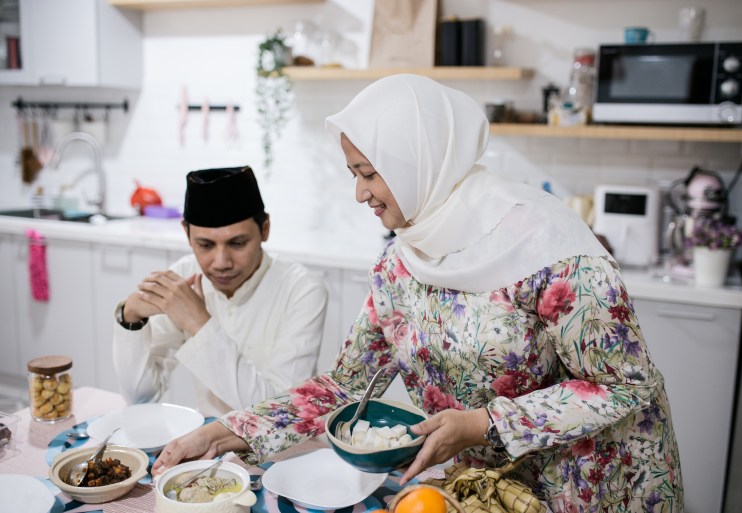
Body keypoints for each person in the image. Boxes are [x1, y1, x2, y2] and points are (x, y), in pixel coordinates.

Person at [152, 77, 683, 513]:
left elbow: (624, 386)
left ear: (418, 160)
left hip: (587, 484)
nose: (359, 192)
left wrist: (483, 423)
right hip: (484, 489)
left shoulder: (550, 249)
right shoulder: (400, 263)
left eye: (368, 173)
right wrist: (230, 430)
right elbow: (348, 384)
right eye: (353, 173)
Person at [112, 166, 328, 417]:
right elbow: (140, 398)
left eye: (237, 243)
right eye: (205, 245)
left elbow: (279, 415)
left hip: (285, 451)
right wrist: (130, 320)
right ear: (187, 234)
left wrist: (198, 323)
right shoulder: (184, 277)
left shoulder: (302, 290)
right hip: (206, 444)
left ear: (265, 229)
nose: (221, 262)